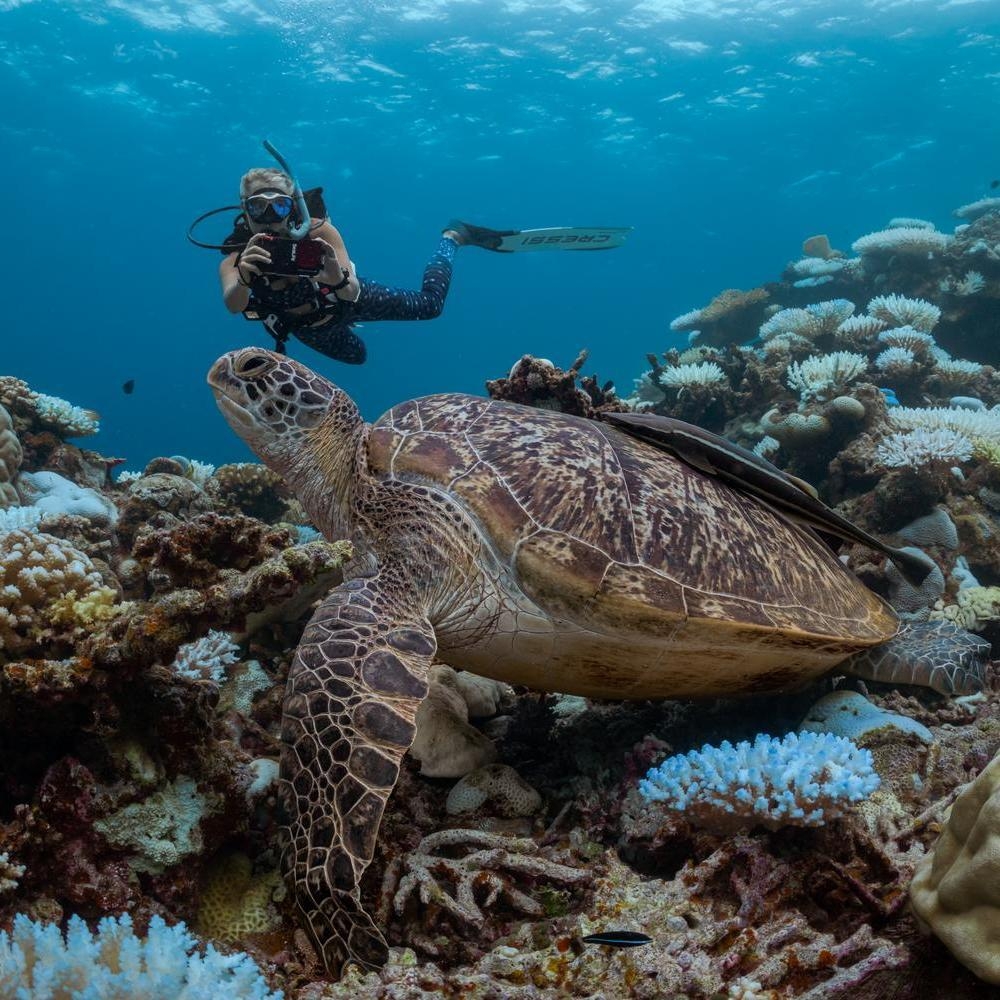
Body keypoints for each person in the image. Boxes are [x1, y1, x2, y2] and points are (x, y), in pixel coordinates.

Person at [219, 166, 502, 364]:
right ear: (244, 209)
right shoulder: (237, 255)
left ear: (293, 207)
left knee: (430, 306)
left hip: (344, 301)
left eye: (279, 206)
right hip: (307, 326)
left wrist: (338, 279)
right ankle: (351, 327)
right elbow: (234, 304)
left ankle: (453, 237)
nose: (270, 217)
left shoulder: (319, 233)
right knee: (357, 357)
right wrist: (244, 277)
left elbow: (352, 293)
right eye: (258, 207)